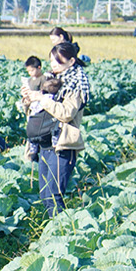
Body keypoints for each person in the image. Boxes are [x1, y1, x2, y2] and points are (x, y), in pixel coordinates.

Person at [21, 43, 91, 216]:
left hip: (62, 144)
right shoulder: (47, 80)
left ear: (71, 61)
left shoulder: (75, 84)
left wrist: (42, 99)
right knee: (45, 194)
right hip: (44, 143)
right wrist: (29, 99)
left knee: (54, 194)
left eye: (58, 61)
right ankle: (54, 230)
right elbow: (35, 113)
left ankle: (62, 231)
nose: (53, 64)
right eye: (51, 60)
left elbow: (66, 113)